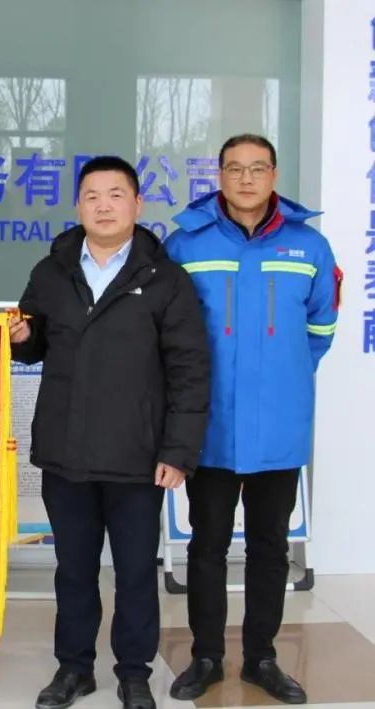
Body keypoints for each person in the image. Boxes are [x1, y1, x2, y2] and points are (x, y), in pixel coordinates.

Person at [9, 156, 210, 709]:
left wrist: (178, 450)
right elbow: (35, 341)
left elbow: (190, 368)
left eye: (116, 194)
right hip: (66, 451)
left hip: (137, 455)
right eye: (92, 196)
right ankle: (73, 669)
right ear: (78, 205)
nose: (103, 206)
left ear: (137, 205)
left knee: (135, 573)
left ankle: (134, 672)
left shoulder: (166, 279)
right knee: (73, 571)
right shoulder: (52, 272)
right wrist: (21, 337)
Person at [166, 134, 339, 705]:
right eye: (235, 168)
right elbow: (167, 330)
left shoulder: (309, 246)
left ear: (274, 174)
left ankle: (262, 658)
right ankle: (206, 657)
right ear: (217, 175)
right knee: (207, 546)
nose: (246, 179)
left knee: (270, 547)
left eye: (257, 168)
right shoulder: (185, 244)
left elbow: (320, 330)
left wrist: (282, 375)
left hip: (279, 427)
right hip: (210, 424)